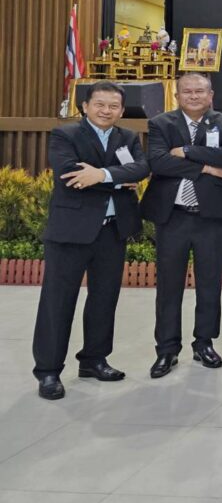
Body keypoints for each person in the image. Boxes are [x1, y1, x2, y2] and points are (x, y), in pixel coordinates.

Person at [32, 81, 149, 400]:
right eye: (100, 104)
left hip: (112, 231)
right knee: (58, 301)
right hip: (71, 231)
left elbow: (141, 169)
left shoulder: (128, 137)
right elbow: (69, 175)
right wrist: (118, 179)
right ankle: (48, 371)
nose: (106, 110)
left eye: (113, 106)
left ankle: (94, 360)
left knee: (104, 298)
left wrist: (101, 175)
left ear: (122, 110)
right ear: (85, 106)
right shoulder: (65, 135)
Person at [142, 73, 222, 378]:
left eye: (199, 91)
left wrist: (187, 152)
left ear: (211, 95)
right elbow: (158, 162)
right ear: (177, 95)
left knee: (209, 284)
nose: (193, 96)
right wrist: (206, 167)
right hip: (173, 216)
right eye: (187, 91)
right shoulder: (162, 124)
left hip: (211, 217)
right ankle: (166, 349)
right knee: (169, 286)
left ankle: (204, 343)